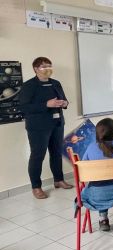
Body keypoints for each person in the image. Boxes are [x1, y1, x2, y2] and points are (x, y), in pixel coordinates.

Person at [19, 57, 73, 199]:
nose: (48, 68)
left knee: (56, 152)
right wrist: (46, 104)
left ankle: (59, 180)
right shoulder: (29, 86)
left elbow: (63, 99)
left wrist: (64, 103)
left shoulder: (56, 83)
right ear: (36, 69)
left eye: (49, 65)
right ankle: (36, 187)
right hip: (38, 127)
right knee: (38, 156)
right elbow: (23, 108)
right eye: (44, 66)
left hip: (57, 124)